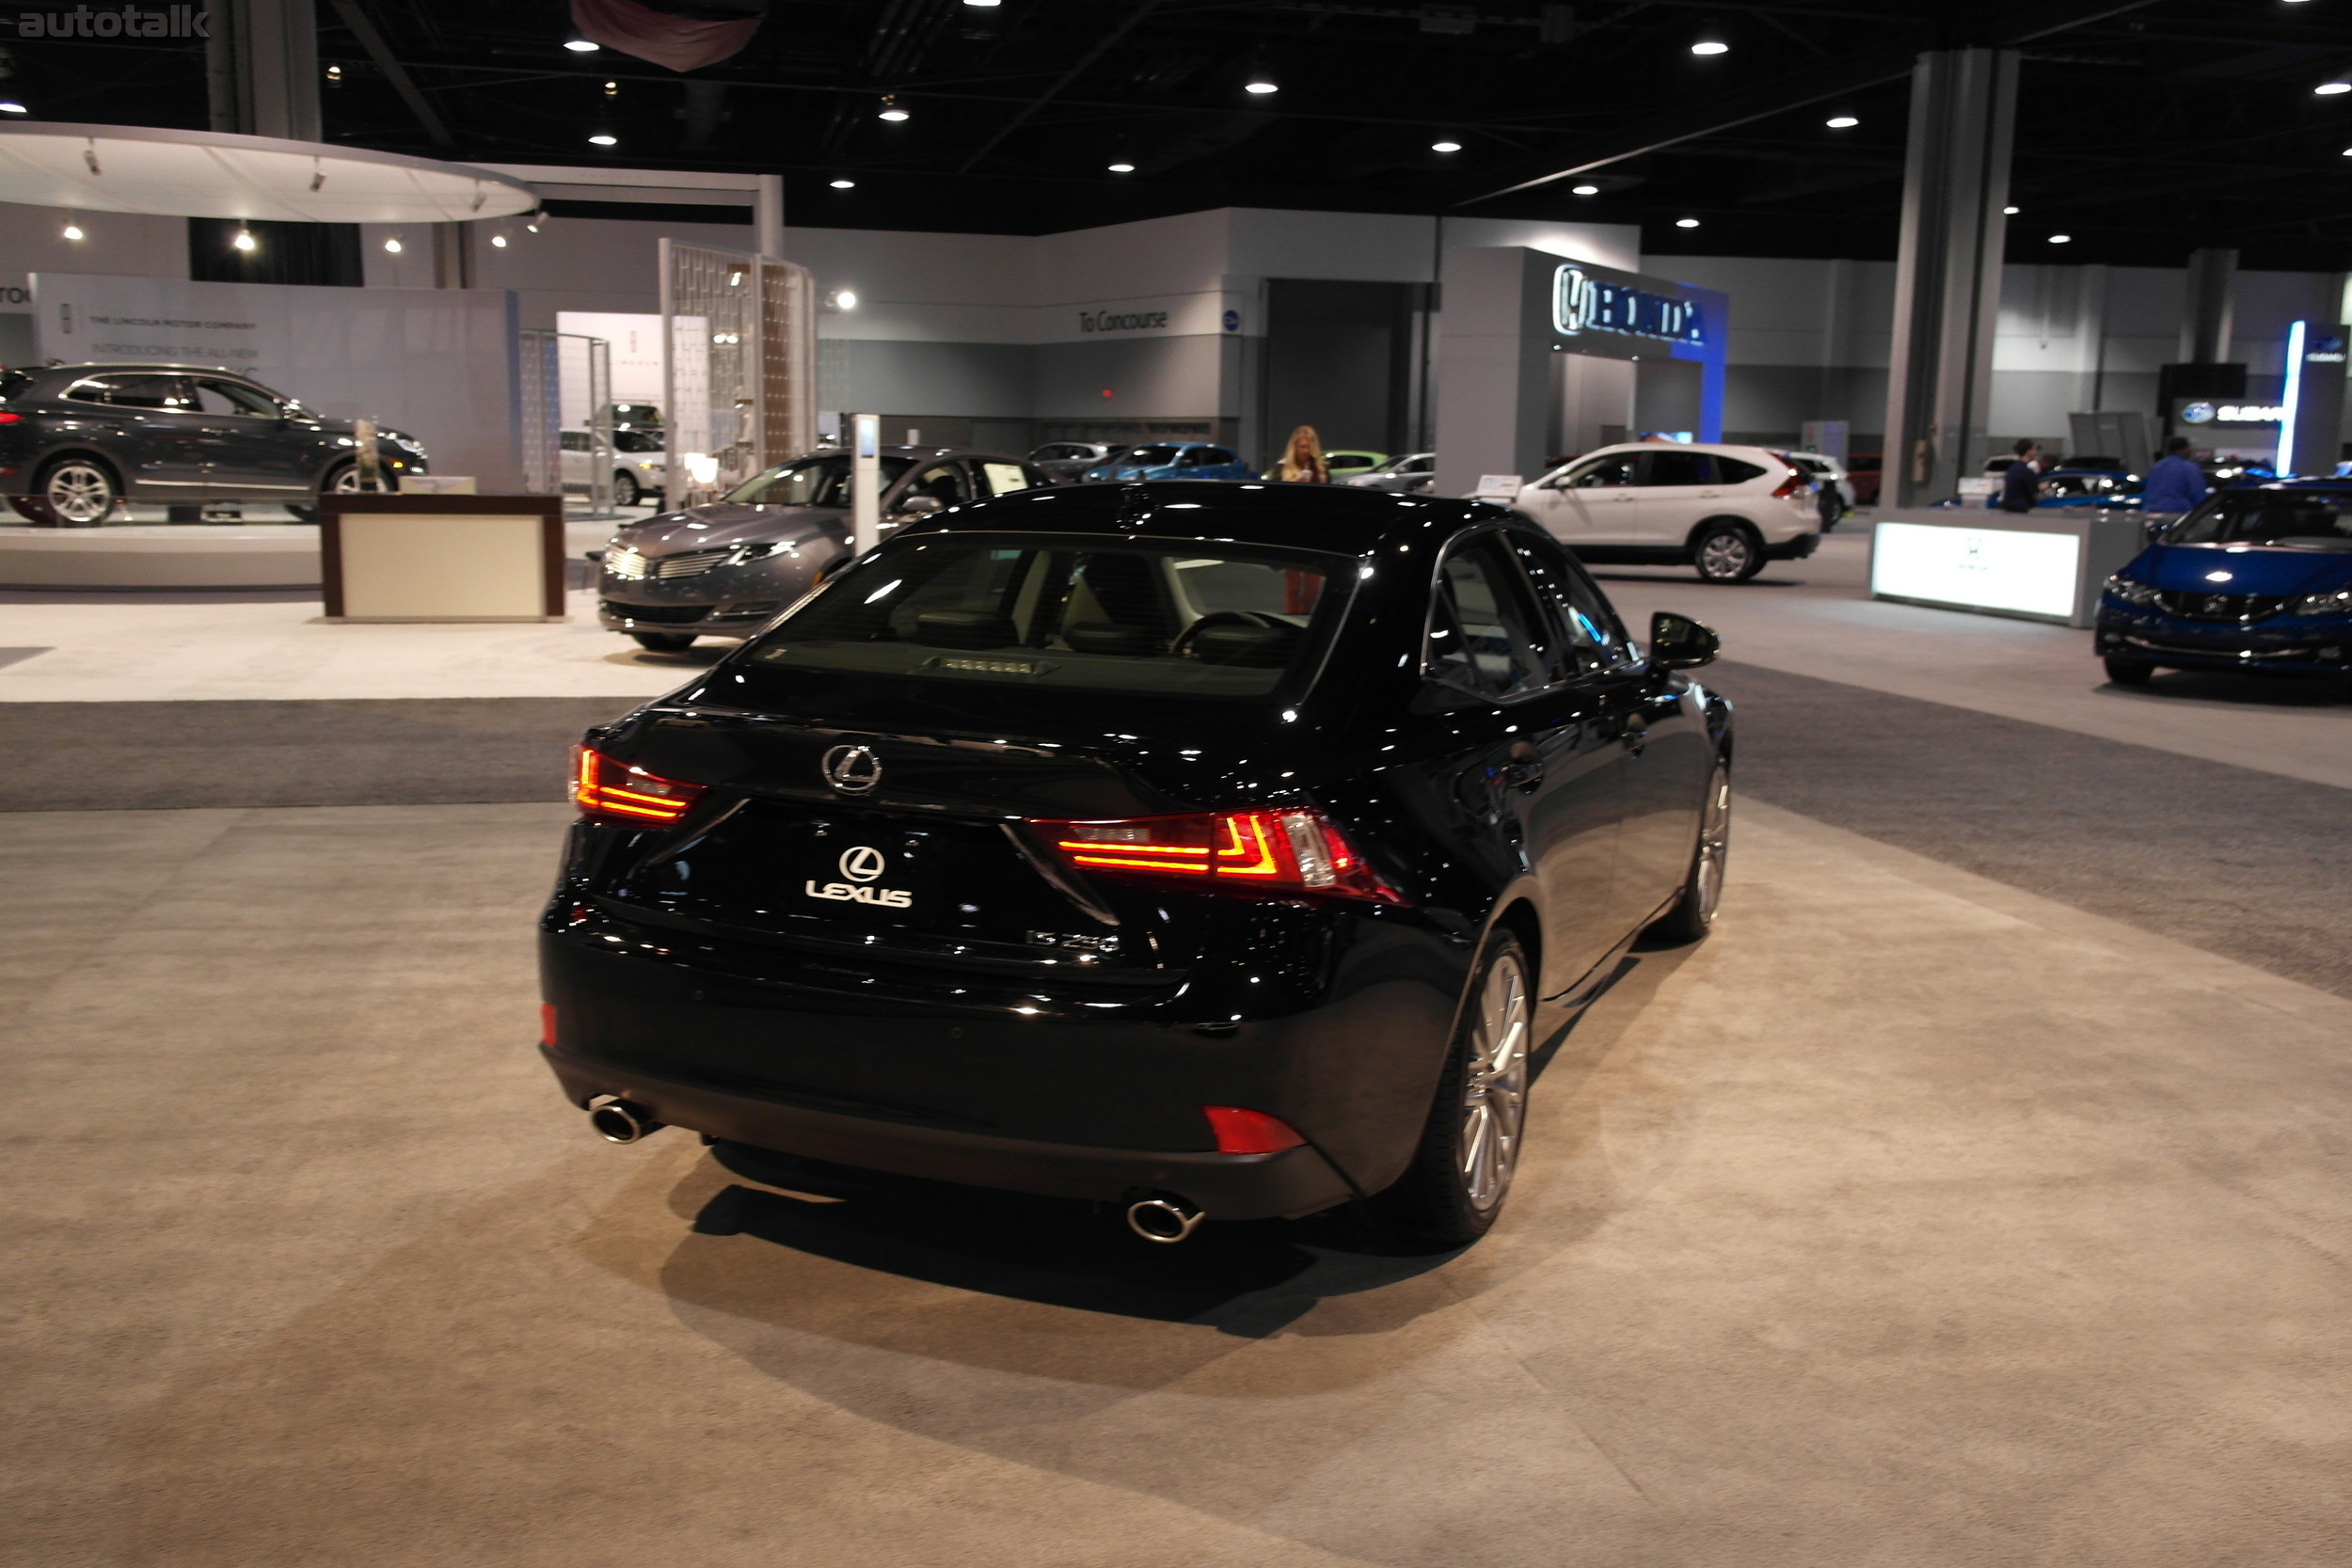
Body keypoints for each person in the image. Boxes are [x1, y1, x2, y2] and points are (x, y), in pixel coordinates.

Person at [2142, 435, 2208, 517]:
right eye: (2188, 448)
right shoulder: (2189, 468)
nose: (2190, 451)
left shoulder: (2156, 466)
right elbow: (2198, 494)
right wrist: (2206, 514)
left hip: (2150, 512)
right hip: (2176, 514)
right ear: (2184, 449)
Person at [1998, 439, 2042, 515]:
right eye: (2034, 450)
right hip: (2020, 509)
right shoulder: (2026, 471)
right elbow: (2036, 495)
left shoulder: (2013, 468)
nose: (2036, 452)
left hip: (2009, 507)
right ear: (2029, 451)